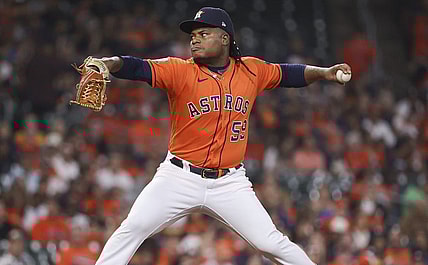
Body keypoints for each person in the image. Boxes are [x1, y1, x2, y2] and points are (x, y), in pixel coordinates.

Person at [92, 7, 351, 265]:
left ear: (225, 38)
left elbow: (289, 74)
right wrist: (108, 63)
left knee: (270, 242)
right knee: (132, 228)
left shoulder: (251, 71)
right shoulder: (180, 70)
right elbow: (137, 67)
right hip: (178, 176)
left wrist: (324, 72)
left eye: (204, 33)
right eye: (193, 35)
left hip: (229, 182)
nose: (195, 39)